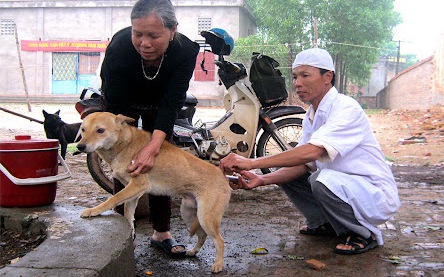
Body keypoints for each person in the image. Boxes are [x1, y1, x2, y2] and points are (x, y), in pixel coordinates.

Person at [220, 48, 400, 255]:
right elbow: (301, 164)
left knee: (320, 180)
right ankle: (325, 223)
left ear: (327, 77)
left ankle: (361, 233)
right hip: (345, 188)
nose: (297, 83)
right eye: (295, 77)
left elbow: (312, 153)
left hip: (372, 193)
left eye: (306, 75)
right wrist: (262, 180)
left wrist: (251, 163)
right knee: (290, 167)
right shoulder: (312, 116)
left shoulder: (346, 108)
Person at [99, 0, 199, 256]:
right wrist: (128, 146)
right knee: (124, 166)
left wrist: (153, 147)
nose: (144, 43)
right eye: (138, 34)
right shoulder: (120, 48)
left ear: (173, 30)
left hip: (161, 106)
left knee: (158, 162)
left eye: (154, 35)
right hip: (123, 105)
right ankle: (121, 234)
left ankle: (161, 233)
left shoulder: (186, 51)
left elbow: (172, 102)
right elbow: (115, 105)